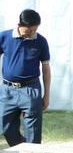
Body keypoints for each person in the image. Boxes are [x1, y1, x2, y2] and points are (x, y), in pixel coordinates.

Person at [0, 9, 51, 145]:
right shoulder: (4, 37)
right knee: (6, 127)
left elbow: (46, 68)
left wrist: (46, 95)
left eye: (35, 29)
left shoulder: (41, 41)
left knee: (33, 132)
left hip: (31, 89)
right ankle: (23, 147)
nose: (33, 33)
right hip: (7, 90)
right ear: (19, 25)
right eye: (30, 30)